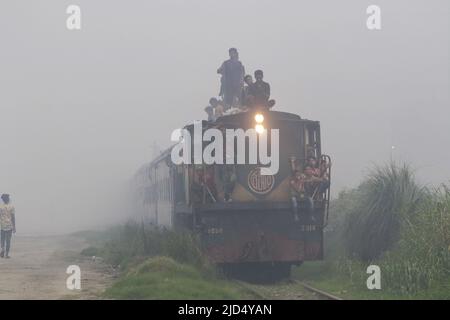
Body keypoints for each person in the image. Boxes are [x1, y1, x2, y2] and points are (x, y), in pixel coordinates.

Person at [0, 194, 16, 259]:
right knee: (8, 240)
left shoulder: (0, 207)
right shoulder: (11, 206)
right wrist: (14, 227)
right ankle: (6, 254)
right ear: (8, 199)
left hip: (2, 225)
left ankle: (2, 249)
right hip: (9, 226)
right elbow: (13, 217)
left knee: (2, 239)